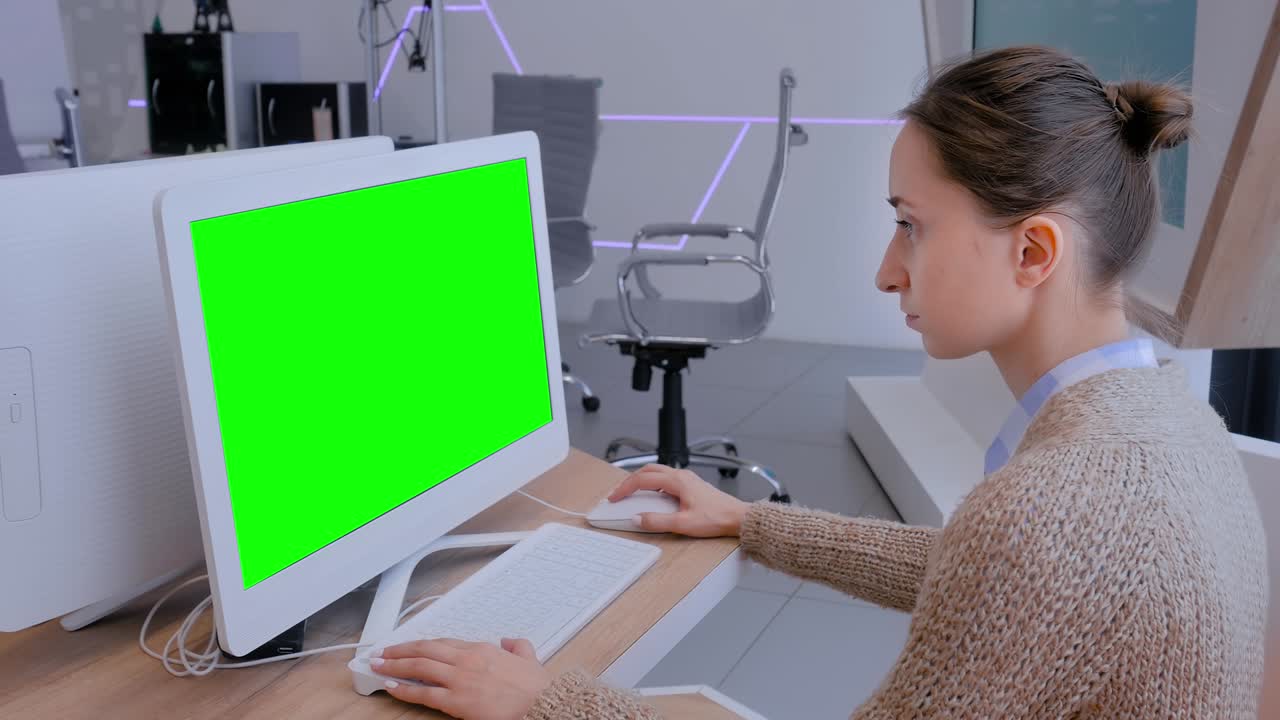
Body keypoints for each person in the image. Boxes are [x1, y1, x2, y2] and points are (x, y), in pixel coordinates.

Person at [368, 46, 1269, 719]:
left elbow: (1016, 562)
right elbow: (991, 582)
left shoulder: (1054, 513)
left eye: (912, 226)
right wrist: (750, 522)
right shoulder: (1171, 422)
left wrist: (550, 703)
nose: (887, 270)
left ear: (1033, 250)